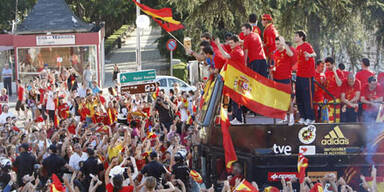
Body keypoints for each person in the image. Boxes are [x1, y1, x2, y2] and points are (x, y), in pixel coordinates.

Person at [216, 35, 245, 124]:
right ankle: (236, 117)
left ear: (237, 43)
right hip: (235, 78)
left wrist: (218, 45)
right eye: (230, 43)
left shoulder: (237, 51)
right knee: (234, 99)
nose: (230, 45)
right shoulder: (236, 50)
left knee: (236, 99)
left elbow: (226, 56)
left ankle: (239, 119)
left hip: (237, 78)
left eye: (232, 43)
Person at [272, 36, 296, 125]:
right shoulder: (275, 53)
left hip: (286, 78)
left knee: (288, 98)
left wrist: (284, 44)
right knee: (280, 98)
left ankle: (291, 117)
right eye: (276, 44)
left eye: (278, 43)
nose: (277, 45)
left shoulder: (287, 51)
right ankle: (284, 116)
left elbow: (291, 55)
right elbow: (275, 63)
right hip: (277, 78)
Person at [294, 30, 316, 125]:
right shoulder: (297, 48)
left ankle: (310, 118)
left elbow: (314, 54)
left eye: (296, 36)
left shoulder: (307, 45)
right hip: (299, 75)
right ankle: (302, 116)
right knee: (300, 97)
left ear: (301, 37)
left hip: (307, 76)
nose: (294, 37)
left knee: (308, 98)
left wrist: (309, 55)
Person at [324, 57, 344, 123]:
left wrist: (334, 72)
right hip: (327, 101)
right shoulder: (325, 73)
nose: (327, 67)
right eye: (326, 65)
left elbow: (339, 84)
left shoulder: (339, 72)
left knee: (336, 121)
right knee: (327, 121)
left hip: (335, 100)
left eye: (329, 65)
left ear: (333, 64)